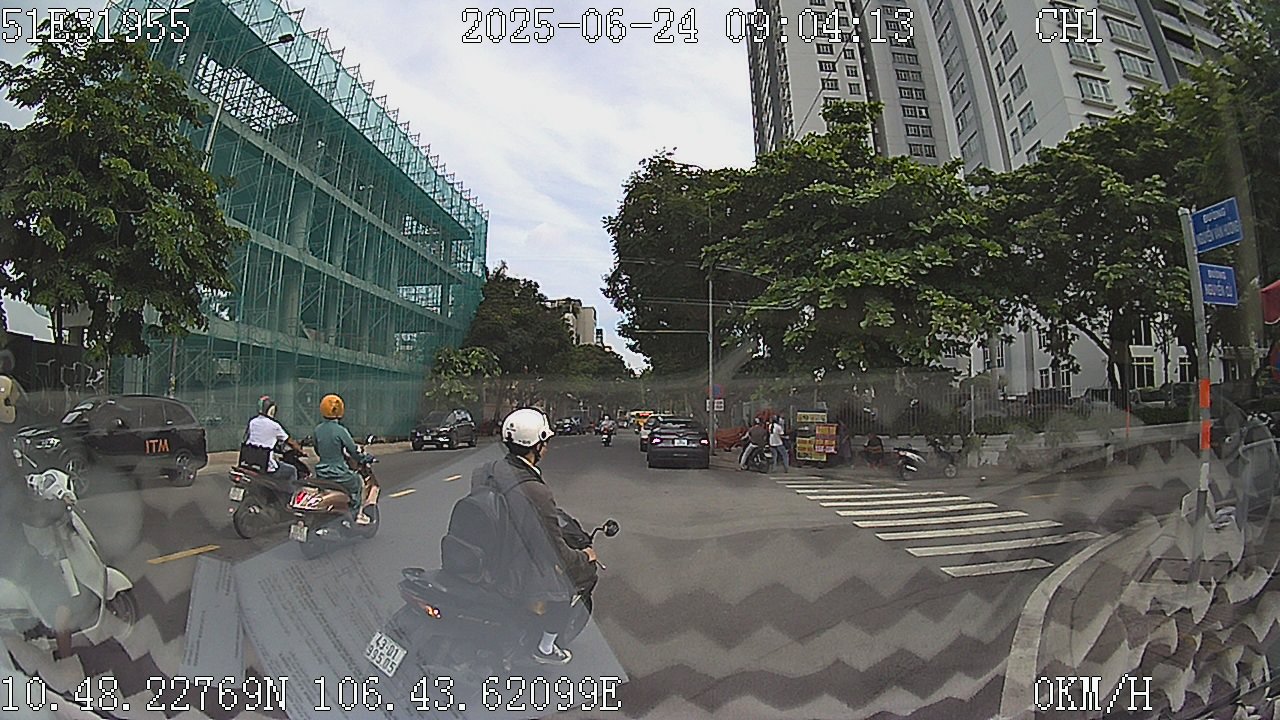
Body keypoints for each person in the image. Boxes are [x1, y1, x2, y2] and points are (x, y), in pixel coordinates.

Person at [473, 407, 598, 665]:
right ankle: (545, 647)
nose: (547, 448)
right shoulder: (536, 491)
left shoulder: (486, 471)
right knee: (567, 584)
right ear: (536, 446)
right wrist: (584, 556)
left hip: (486, 554)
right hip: (512, 566)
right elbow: (558, 553)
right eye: (545, 442)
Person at [313, 393, 373, 524]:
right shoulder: (340, 430)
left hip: (321, 472)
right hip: (338, 471)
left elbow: (317, 449)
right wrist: (363, 458)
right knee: (357, 482)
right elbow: (353, 451)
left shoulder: (317, 430)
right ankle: (356, 514)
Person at [238, 396, 302, 486]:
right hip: (266, 465)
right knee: (292, 470)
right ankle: (290, 494)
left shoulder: (252, 422)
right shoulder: (275, 426)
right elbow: (289, 441)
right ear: (271, 411)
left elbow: (248, 438)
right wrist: (300, 450)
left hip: (248, 462)